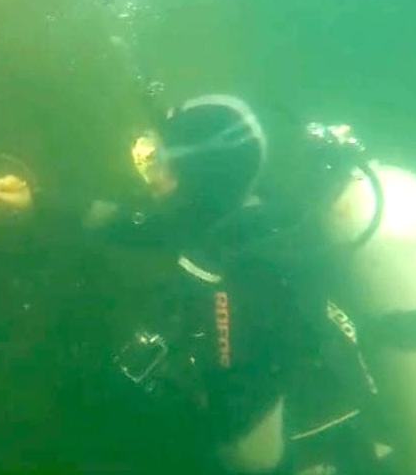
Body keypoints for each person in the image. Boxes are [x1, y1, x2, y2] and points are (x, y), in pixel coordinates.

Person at [80, 94, 391, 475]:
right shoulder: (235, 219)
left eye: (158, 160)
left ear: (197, 173)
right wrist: (36, 203)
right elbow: (136, 226)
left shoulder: (251, 263)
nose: (150, 174)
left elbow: (248, 442)